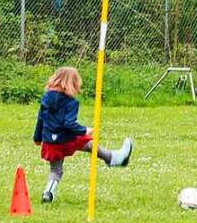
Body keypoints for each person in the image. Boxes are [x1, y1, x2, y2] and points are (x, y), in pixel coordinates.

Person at [33, 66, 133, 203]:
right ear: (73, 83)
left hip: (50, 141)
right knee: (89, 144)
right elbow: (68, 124)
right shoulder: (70, 102)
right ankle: (113, 158)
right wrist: (84, 130)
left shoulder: (46, 98)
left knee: (56, 170)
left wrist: (37, 137)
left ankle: (48, 192)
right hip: (66, 139)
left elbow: (40, 118)